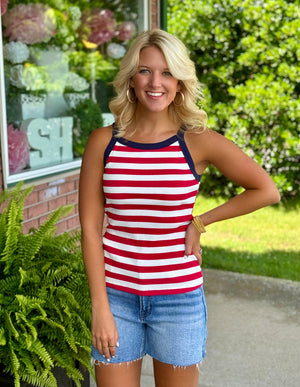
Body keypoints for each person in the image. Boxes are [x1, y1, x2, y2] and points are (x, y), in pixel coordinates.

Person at [78, 29, 280, 387]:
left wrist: (200, 222)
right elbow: (91, 229)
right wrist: (100, 307)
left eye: (167, 72)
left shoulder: (197, 141)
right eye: (145, 71)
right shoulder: (103, 142)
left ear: (180, 81)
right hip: (115, 297)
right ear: (130, 79)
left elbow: (265, 190)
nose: (156, 82)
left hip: (178, 300)